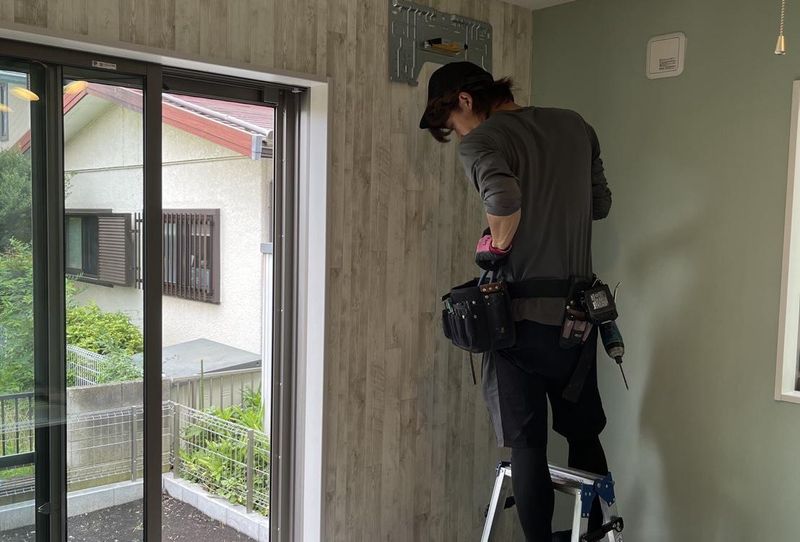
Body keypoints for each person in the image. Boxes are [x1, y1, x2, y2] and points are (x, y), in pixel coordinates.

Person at [419, 61, 613, 542]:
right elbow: (600, 205)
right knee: (583, 435)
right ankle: (594, 534)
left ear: (465, 101)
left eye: (454, 124)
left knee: (527, 448)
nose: (459, 134)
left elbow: (503, 200)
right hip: (579, 320)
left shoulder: (481, 141)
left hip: (518, 327)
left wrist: (496, 247)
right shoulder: (575, 125)